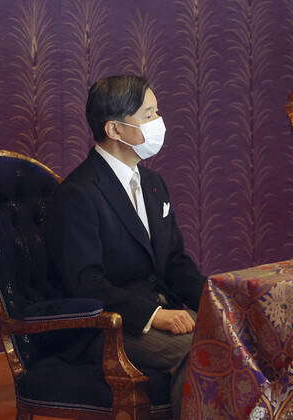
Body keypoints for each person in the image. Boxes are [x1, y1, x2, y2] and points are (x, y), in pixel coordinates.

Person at [46, 75, 206, 418]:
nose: (159, 123)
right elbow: (85, 281)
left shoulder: (152, 183)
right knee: (203, 350)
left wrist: (214, 304)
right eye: (149, 115)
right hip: (110, 326)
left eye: (156, 112)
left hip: (165, 306)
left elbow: (175, 261)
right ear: (115, 130)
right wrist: (154, 316)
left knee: (237, 338)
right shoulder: (78, 193)